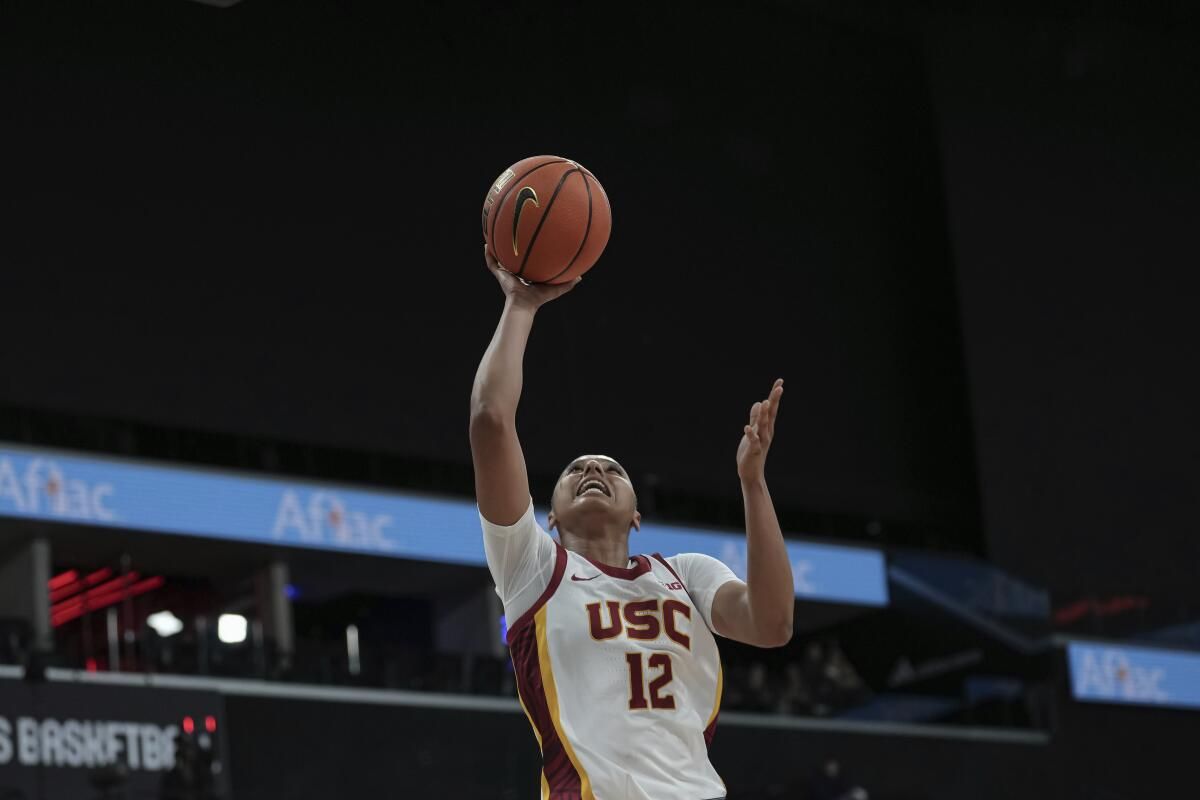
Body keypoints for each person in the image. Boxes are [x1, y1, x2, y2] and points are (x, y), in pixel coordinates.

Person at [470, 246, 795, 800]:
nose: (594, 469)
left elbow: (771, 624)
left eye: (612, 469)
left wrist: (753, 482)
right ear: (547, 517)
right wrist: (522, 303)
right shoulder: (531, 565)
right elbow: (491, 420)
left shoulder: (686, 574)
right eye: (576, 469)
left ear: (637, 514)